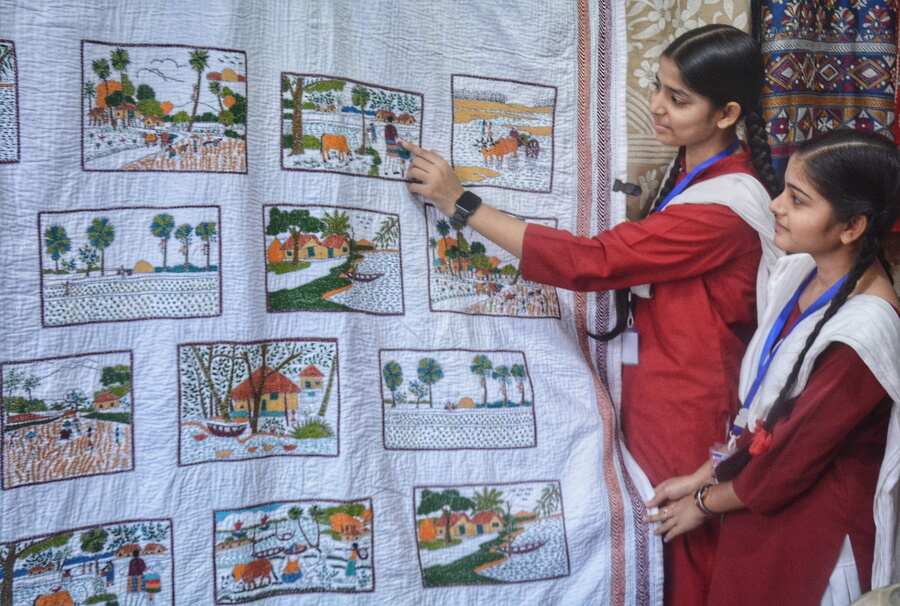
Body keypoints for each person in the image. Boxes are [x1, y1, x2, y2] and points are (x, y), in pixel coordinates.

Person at [403, 24, 780, 605]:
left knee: (682, 564)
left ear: (727, 112)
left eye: (679, 100)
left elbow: (596, 262)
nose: (657, 107)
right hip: (654, 395)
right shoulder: (689, 176)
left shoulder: (724, 208)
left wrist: (461, 201)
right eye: (659, 88)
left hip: (687, 409)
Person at [646, 129, 900, 605]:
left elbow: (789, 460)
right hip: (761, 504)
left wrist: (702, 504)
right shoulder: (800, 274)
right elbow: (765, 414)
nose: (776, 205)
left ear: (851, 227)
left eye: (798, 200)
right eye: (783, 189)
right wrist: (704, 474)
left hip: (814, 537)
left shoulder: (863, 334)